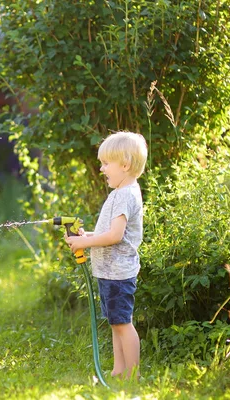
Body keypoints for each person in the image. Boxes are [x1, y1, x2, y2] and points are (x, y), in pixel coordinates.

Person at [65, 131, 147, 380]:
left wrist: (85, 242)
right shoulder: (126, 192)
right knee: (116, 323)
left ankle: (133, 376)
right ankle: (118, 371)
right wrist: (87, 235)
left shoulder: (123, 195)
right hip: (113, 271)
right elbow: (110, 232)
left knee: (122, 323)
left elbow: (114, 236)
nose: (102, 169)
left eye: (106, 164)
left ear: (125, 164)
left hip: (117, 273)